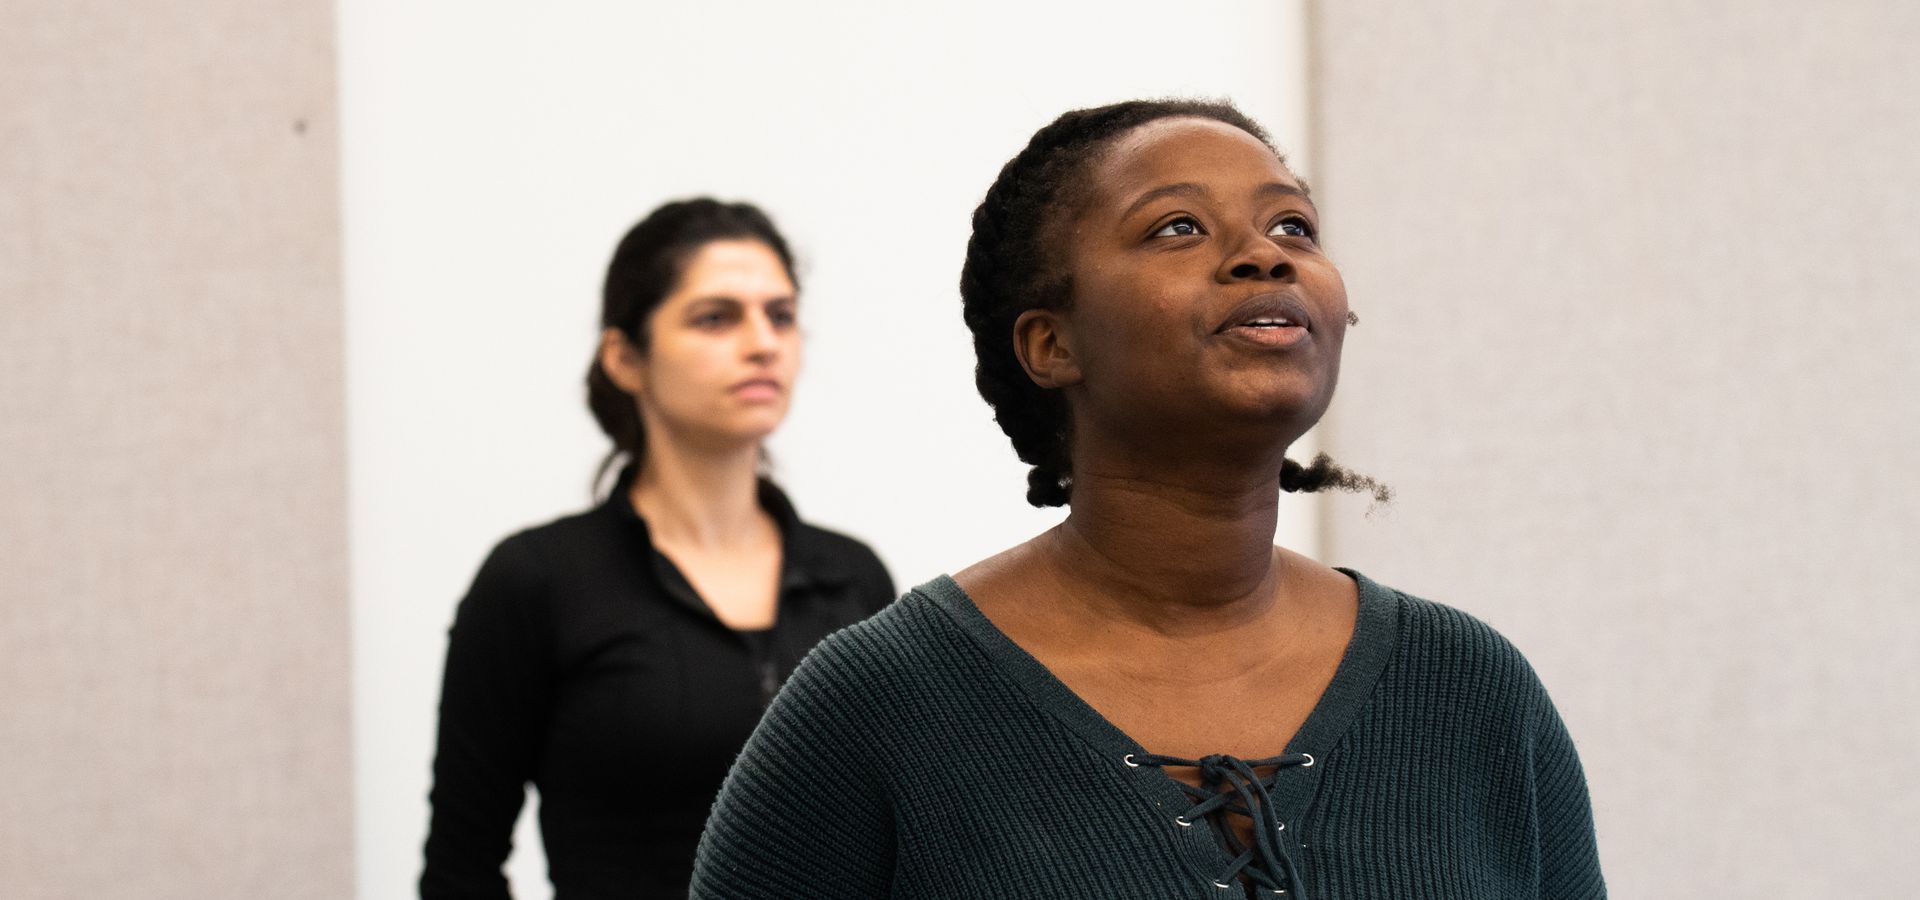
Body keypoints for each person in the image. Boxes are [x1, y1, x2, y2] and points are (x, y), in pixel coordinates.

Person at [688, 101, 1605, 899]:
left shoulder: (1472, 691)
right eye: (1178, 227)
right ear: (1052, 345)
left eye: (1293, 226)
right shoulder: (879, 705)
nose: (1264, 256)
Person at [420, 198, 896, 899]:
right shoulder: (538, 581)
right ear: (624, 357)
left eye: (780, 315)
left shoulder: (852, 577)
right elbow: (460, 870)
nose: (763, 342)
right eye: (716, 318)